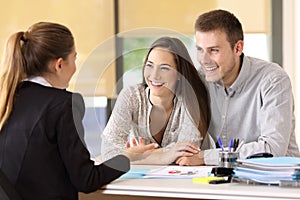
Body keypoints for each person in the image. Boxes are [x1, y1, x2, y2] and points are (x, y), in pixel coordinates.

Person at [0, 22, 157, 200]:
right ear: (59, 65)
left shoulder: (8, 98)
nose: (75, 67)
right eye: (74, 58)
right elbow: (86, 180)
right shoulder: (62, 104)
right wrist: (128, 157)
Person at [188, 9, 300, 166]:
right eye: (200, 49)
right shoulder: (201, 79)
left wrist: (205, 157)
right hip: (229, 177)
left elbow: (272, 149)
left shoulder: (273, 79)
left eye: (213, 50)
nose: (203, 60)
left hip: (277, 179)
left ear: (238, 48)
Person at [101, 36, 213, 165]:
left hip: (181, 182)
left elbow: (186, 154)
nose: (154, 75)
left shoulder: (190, 101)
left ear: (179, 74)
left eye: (164, 68)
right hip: (137, 182)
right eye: (150, 65)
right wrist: (162, 157)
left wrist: (132, 156)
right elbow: (109, 153)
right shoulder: (131, 96)